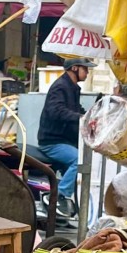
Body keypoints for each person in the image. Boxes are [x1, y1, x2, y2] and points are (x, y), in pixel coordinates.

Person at [32, 57, 93, 218]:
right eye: (85, 69)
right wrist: (80, 118)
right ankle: (58, 196)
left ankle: (66, 211)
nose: (87, 72)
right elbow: (56, 111)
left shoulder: (72, 88)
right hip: (52, 141)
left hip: (65, 140)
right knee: (77, 160)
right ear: (74, 68)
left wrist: (89, 116)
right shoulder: (61, 87)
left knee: (77, 173)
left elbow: (76, 109)